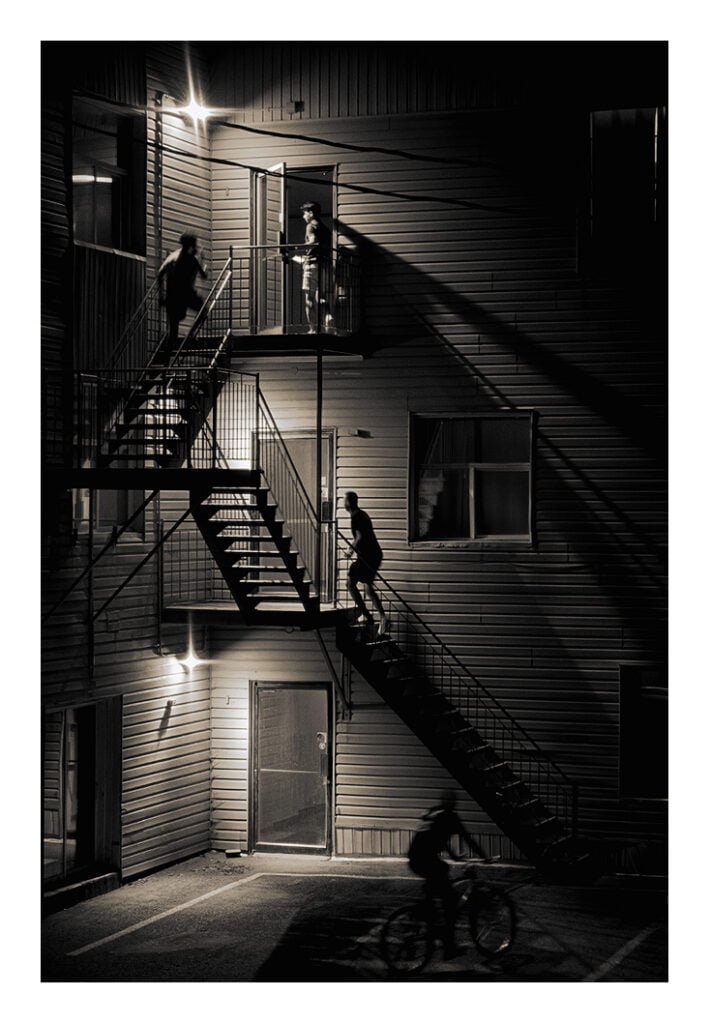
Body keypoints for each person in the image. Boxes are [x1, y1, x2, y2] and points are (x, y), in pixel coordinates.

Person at [408, 790, 490, 959]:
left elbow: (436, 838)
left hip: (414, 858)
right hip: (427, 860)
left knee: (437, 884)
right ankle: (448, 947)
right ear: (453, 803)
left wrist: (454, 856)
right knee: (450, 900)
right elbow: (468, 839)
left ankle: (428, 922)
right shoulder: (451, 817)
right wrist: (485, 857)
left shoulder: (433, 812)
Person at [344, 491, 388, 634]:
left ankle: (370, 616)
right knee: (368, 588)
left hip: (369, 556)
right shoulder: (362, 514)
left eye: (344, 500)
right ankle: (378, 617)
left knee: (350, 583)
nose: (343, 503)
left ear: (349, 503)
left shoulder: (356, 517)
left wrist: (350, 550)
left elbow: (359, 536)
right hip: (372, 555)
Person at [157, 232, 207, 357]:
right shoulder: (192, 259)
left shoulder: (173, 256)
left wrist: (161, 295)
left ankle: (166, 365)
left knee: (173, 333)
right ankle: (191, 334)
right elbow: (204, 276)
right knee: (203, 311)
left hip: (172, 296)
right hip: (185, 294)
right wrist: (202, 259)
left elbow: (160, 273)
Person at [300, 202, 333, 333]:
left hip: (312, 264)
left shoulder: (310, 226)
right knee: (321, 296)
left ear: (311, 213)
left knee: (309, 299)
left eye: (305, 213)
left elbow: (313, 241)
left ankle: (313, 329)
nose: (303, 216)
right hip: (324, 265)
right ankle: (328, 318)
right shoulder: (325, 229)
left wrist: (300, 247)